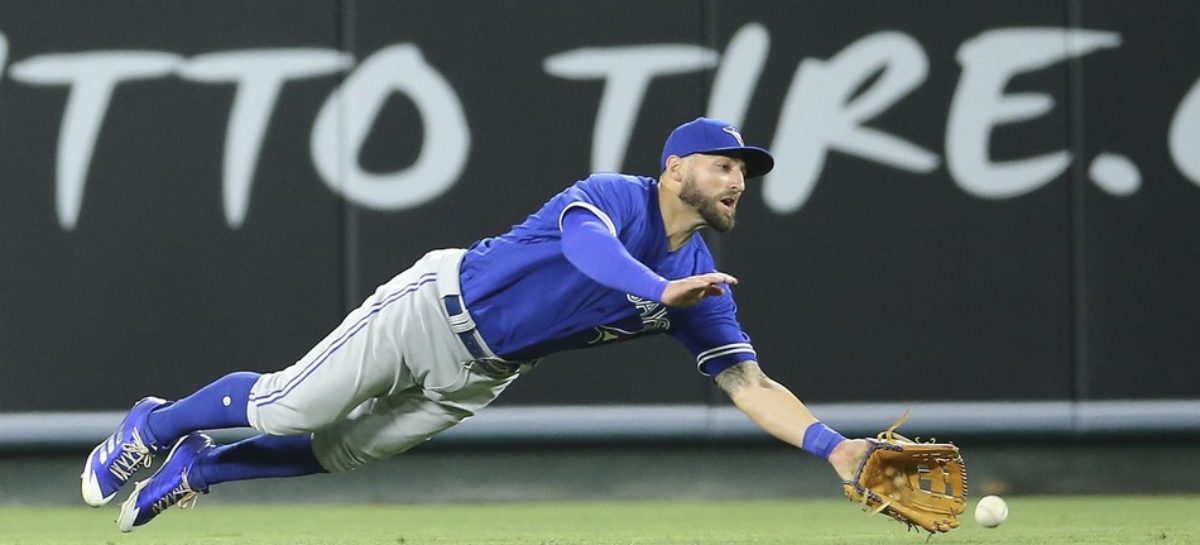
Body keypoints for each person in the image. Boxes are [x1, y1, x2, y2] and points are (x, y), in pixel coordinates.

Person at [82, 117, 869, 532]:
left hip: (484, 371)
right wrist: (659, 291)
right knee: (290, 404)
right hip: (434, 306)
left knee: (344, 450)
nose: (738, 180)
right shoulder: (618, 196)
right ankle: (156, 423)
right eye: (724, 164)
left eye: (744, 172)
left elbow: (751, 383)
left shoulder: (703, 287)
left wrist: (835, 447)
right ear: (674, 169)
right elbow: (585, 247)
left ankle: (197, 469)